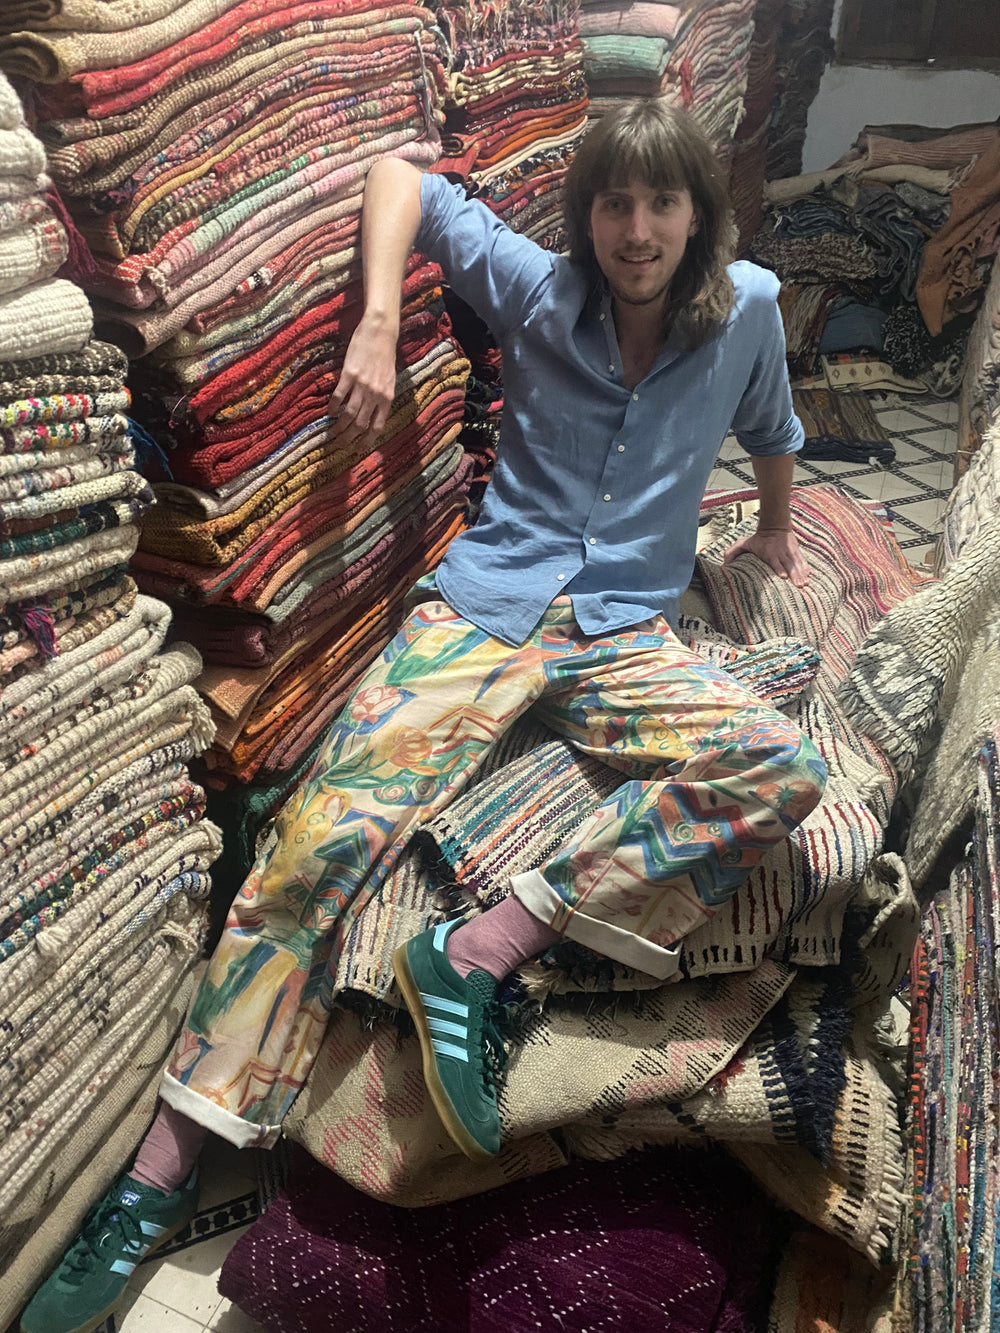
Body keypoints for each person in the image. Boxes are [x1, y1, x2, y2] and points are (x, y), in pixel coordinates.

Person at [22, 98, 826, 1333]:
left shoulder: (749, 309)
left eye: (662, 203)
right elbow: (402, 177)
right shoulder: (538, 288)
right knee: (313, 844)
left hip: (624, 633)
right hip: (482, 612)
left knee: (776, 765)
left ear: (699, 215)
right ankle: (155, 1177)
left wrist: (774, 529)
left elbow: (772, 428)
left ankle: (481, 950)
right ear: (586, 215)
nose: (636, 229)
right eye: (614, 203)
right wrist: (378, 320)